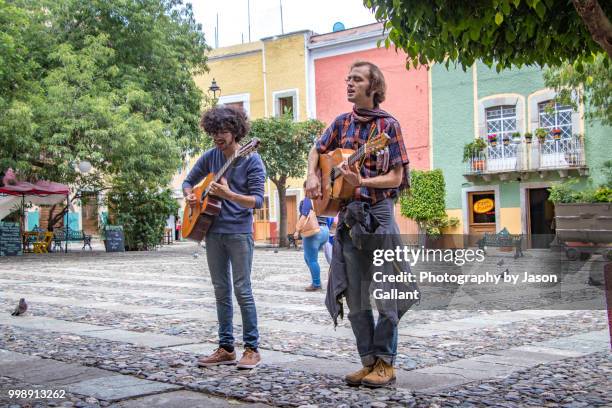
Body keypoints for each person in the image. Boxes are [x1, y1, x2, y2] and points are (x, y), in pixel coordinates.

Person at [305, 61, 411, 387]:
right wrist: (313, 175)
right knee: (355, 295)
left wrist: (362, 179)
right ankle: (367, 362)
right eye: (348, 78)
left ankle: (385, 363)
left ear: (373, 87)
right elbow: (317, 148)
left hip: (378, 215)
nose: (349, 83)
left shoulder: (388, 127)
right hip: (348, 218)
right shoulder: (340, 123)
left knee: (386, 293)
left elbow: (396, 176)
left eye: (357, 79)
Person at [182, 105, 266, 369]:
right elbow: (187, 182)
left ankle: (252, 349)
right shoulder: (210, 157)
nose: (218, 137)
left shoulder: (251, 159)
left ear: (236, 131)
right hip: (213, 232)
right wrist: (190, 195)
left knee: (242, 289)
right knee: (220, 291)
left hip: (239, 233)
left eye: (223, 131)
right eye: (214, 131)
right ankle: (226, 347)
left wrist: (229, 194)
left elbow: (258, 202)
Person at [294, 186, 330, 291]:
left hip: (313, 232)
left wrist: (297, 230)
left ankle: (317, 284)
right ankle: (316, 280)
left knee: (312, 260)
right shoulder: (322, 199)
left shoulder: (308, 199)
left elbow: (304, 215)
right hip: (324, 230)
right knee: (308, 258)